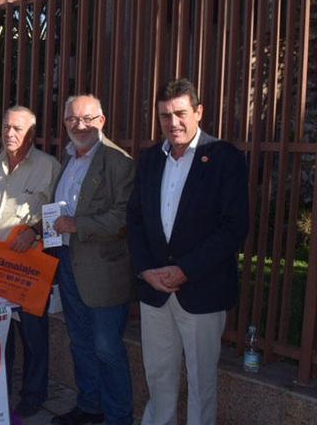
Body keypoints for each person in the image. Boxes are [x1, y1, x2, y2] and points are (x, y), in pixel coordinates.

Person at [128, 79, 248, 425]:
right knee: (159, 378)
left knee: (201, 384)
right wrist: (145, 269)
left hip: (202, 290)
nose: (173, 122)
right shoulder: (150, 158)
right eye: (165, 115)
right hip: (155, 291)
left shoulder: (225, 158)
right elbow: (134, 219)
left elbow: (234, 228)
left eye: (180, 113)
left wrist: (186, 269)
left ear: (198, 112)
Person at [49, 94, 135, 425]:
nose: (80, 125)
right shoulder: (69, 157)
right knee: (80, 342)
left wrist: (76, 224)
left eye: (87, 119)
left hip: (103, 272)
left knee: (107, 349)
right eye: (72, 119)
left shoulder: (117, 161)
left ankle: (118, 417)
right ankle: (89, 406)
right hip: (69, 261)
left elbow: (123, 218)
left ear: (102, 120)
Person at [0, 106, 60, 422]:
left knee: (33, 336)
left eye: (18, 129)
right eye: (7, 126)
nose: (10, 133)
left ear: (31, 134)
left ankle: (34, 396)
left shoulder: (50, 167)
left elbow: (57, 218)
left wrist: (35, 232)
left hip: (28, 268)